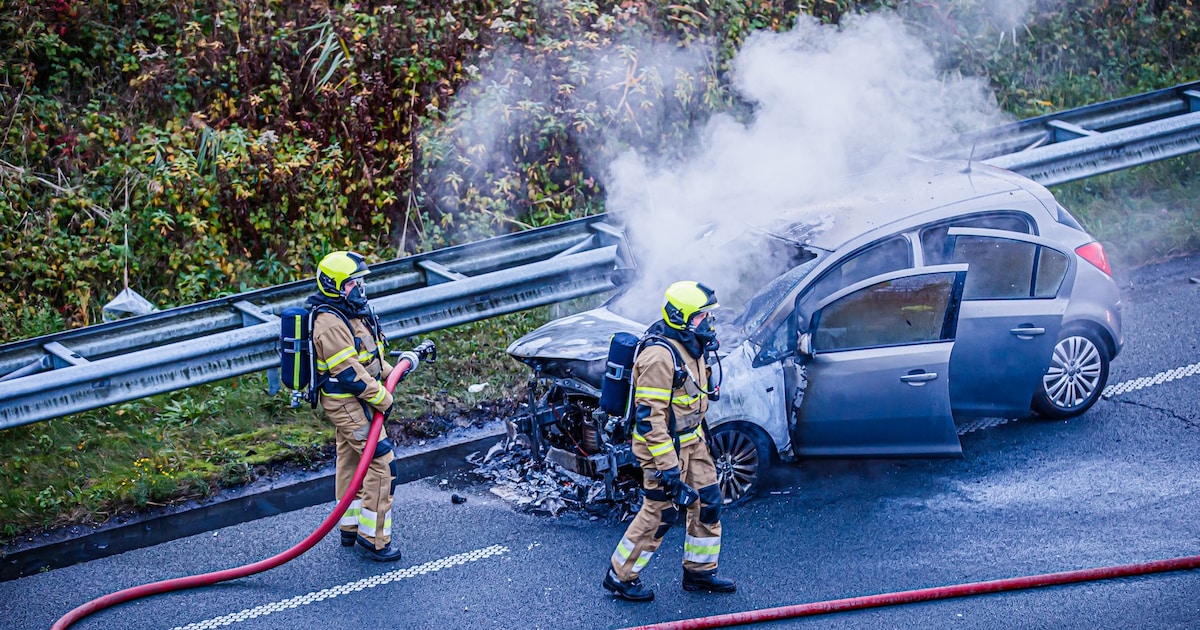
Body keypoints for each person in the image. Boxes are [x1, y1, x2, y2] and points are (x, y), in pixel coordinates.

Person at [603, 281, 736, 601]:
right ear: (682, 317)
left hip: (694, 442)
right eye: (702, 317)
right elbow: (650, 421)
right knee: (660, 512)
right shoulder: (658, 358)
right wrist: (669, 470)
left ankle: (699, 572)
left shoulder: (691, 344)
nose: (709, 323)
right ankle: (620, 576)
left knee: (708, 502)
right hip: (662, 449)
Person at [308, 250, 404, 562]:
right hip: (346, 401)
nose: (358, 289)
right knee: (381, 460)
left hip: (353, 399)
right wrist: (384, 397)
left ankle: (350, 527)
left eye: (358, 282)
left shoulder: (349, 314)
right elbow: (350, 374)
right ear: (333, 285)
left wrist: (391, 372)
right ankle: (374, 539)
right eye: (351, 283)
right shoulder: (329, 323)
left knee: (350, 458)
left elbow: (365, 359)